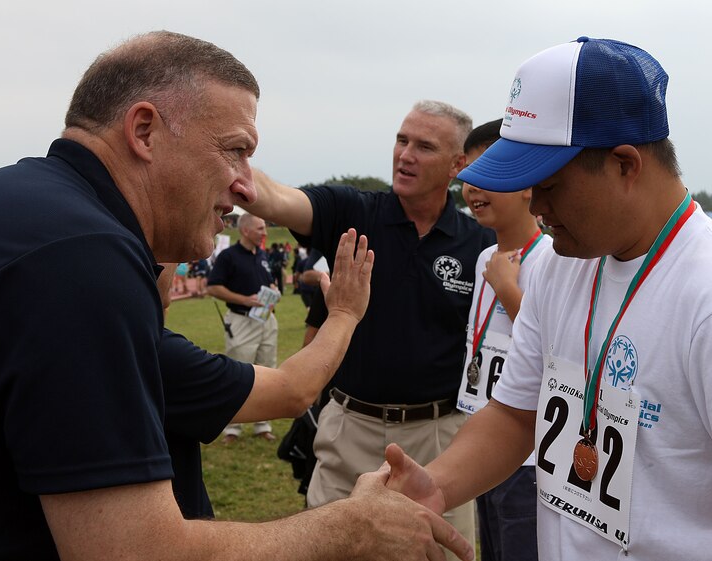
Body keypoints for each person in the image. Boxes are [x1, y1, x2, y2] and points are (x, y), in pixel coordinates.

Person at [0, 31, 472, 561]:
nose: (244, 184)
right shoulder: (85, 257)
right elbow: (132, 551)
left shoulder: (13, 206)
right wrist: (351, 529)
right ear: (144, 131)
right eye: (236, 151)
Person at [383, 37, 712, 561]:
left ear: (624, 164)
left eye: (548, 185)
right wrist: (436, 486)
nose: (536, 206)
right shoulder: (555, 262)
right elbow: (514, 414)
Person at [245, 99, 496, 558]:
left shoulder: (479, 244)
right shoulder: (353, 212)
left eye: (424, 146)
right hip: (350, 429)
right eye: (402, 140)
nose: (405, 155)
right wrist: (234, 163)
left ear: (458, 164)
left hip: (437, 437)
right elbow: (280, 199)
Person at [158, 229, 373, 519]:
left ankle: (260, 426)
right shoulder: (157, 352)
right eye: (164, 252)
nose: (178, 260)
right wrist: (344, 313)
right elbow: (292, 391)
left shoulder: (132, 340)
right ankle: (233, 428)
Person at [457, 119, 551, 561]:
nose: (473, 188)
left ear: (528, 185)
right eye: (469, 175)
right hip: (485, 435)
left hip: (530, 455)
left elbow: (554, 354)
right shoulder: (482, 259)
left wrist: (509, 290)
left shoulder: (554, 260)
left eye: (488, 174)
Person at [207, 213, 279, 442]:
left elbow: (269, 282)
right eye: (260, 228)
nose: (265, 232)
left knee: (267, 371)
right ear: (245, 230)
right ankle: (232, 428)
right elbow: (214, 288)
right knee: (239, 373)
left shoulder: (263, 255)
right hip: (241, 320)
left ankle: (262, 425)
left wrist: (273, 290)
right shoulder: (228, 256)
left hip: (266, 320)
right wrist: (244, 299)